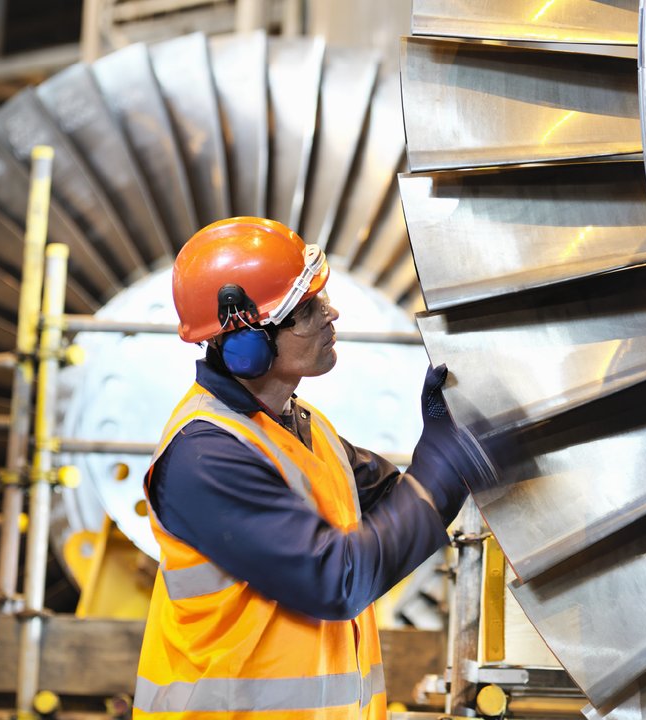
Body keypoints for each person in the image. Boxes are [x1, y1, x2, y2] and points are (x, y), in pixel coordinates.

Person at [134, 217, 477, 719]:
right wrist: (447, 463)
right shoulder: (204, 456)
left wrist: (456, 444)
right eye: (307, 308)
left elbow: (399, 503)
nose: (330, 314)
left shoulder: (303, 426)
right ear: (245, 341)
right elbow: (336, 579)